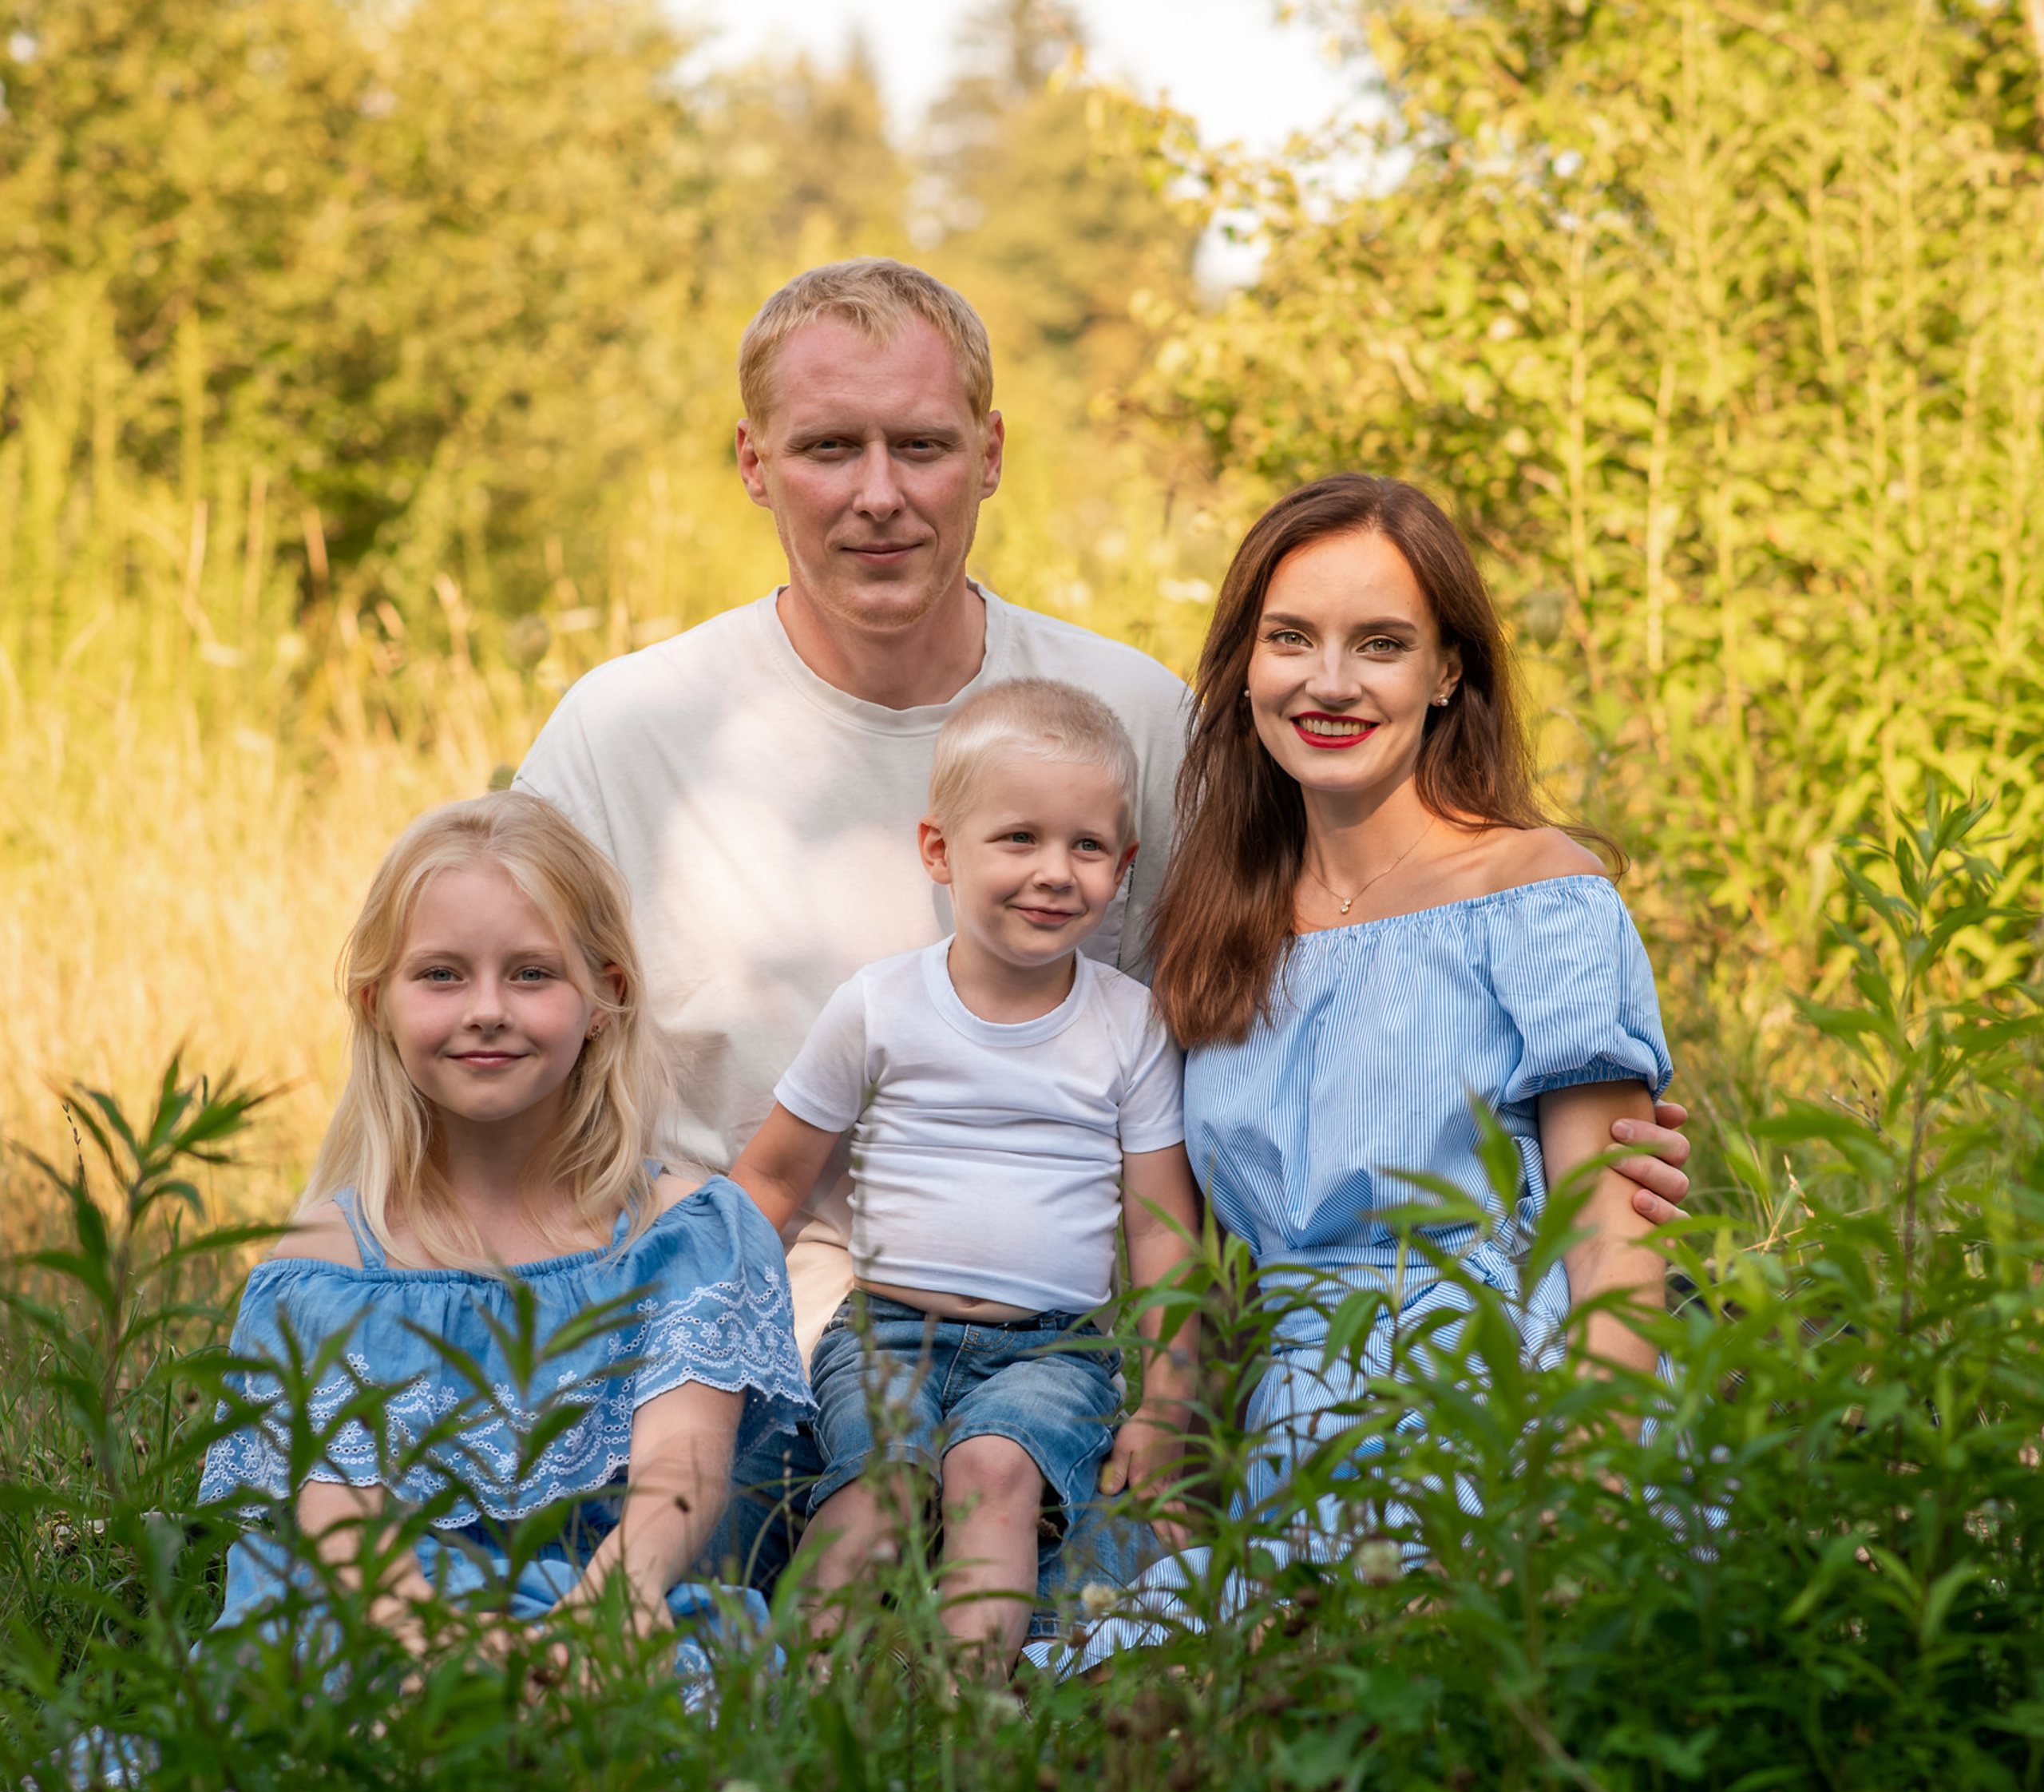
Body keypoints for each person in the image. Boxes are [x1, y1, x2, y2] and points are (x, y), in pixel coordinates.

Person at [513, 257, 1693, 1589]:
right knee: (592, 1611)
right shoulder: (624, 733)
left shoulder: (1124, 724)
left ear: (993, 453)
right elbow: (477, 1049)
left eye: (923, 444)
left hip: (1072, 1362)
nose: (879, 493)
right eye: (830, 447)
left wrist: (1591, 1177)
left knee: (1100, 1665)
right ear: (752, 461)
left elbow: (1234, 1121)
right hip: (740, 1365)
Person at [1051, 473, 1677, 1669]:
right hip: (1281, 1428)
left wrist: (1585, 1485)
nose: (1329, 683)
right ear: (1244, 665)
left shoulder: (1538, 893)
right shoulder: (1218, 914)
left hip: (1499, 1399)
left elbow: (1612, 1236)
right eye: (1293, 639)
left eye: (1380, 645)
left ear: (1449, 673)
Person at [197, 793, 813, 1689]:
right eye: (441, 975)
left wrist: (605, 1618)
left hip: (609, 1607)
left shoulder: (684, 1239)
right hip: (374, 1623)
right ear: (377, 1004)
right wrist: (442, 1654)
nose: (486, 1008)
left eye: (530, 973)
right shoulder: (321, 1267)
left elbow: (680, 1468)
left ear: (607, 996)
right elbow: (342, 1518)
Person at [729, 682, 1198, 1676]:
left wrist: (1164, 1398)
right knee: (875, 1494)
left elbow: (1161, 1230)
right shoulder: (880, 1007)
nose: (1051, 873)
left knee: (994, 1474)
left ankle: (967, 1716)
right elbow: (769, 1179)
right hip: (889, 1331)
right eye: (1017, 838)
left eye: (1085, 848)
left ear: (1124, 866)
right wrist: (699, 1330)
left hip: (1055, 1349)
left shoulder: (1127, 1023)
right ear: (940, 851)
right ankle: (782, 1712)